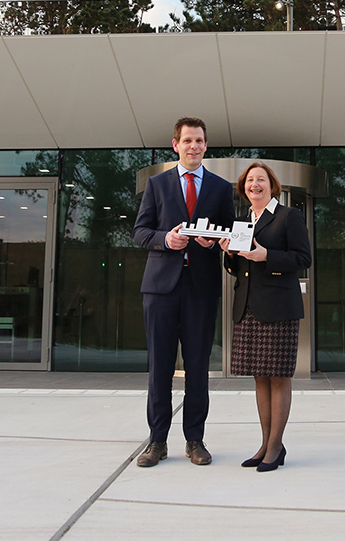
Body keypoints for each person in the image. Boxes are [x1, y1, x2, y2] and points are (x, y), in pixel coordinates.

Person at [133, 117, 235, 467]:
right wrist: (166, 239)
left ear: (206, 145)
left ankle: (195, 440)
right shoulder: (157, 184)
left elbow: (228, 236)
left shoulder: (221, 189)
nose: (194, 146)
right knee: (159, 367)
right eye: (187, 140)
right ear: (175, 145)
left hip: (201, 289)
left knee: (198, 368)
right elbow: (140, 231)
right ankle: (157, 442)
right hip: (161, 289)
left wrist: (215, 242)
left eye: (200, 141)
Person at [220, 162, 311, 473]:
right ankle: (265, 443)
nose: (254, 185)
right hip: (248, 306)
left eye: (260, 180)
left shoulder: (289, 216)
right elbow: (238, 269)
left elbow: (303, 258)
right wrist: (230, 254)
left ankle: (276, 446)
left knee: (278, 376)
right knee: (259, 376)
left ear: (272, 185)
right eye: (248, 181)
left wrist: (267, 255)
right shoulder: (243, 220)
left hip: (278, 308)